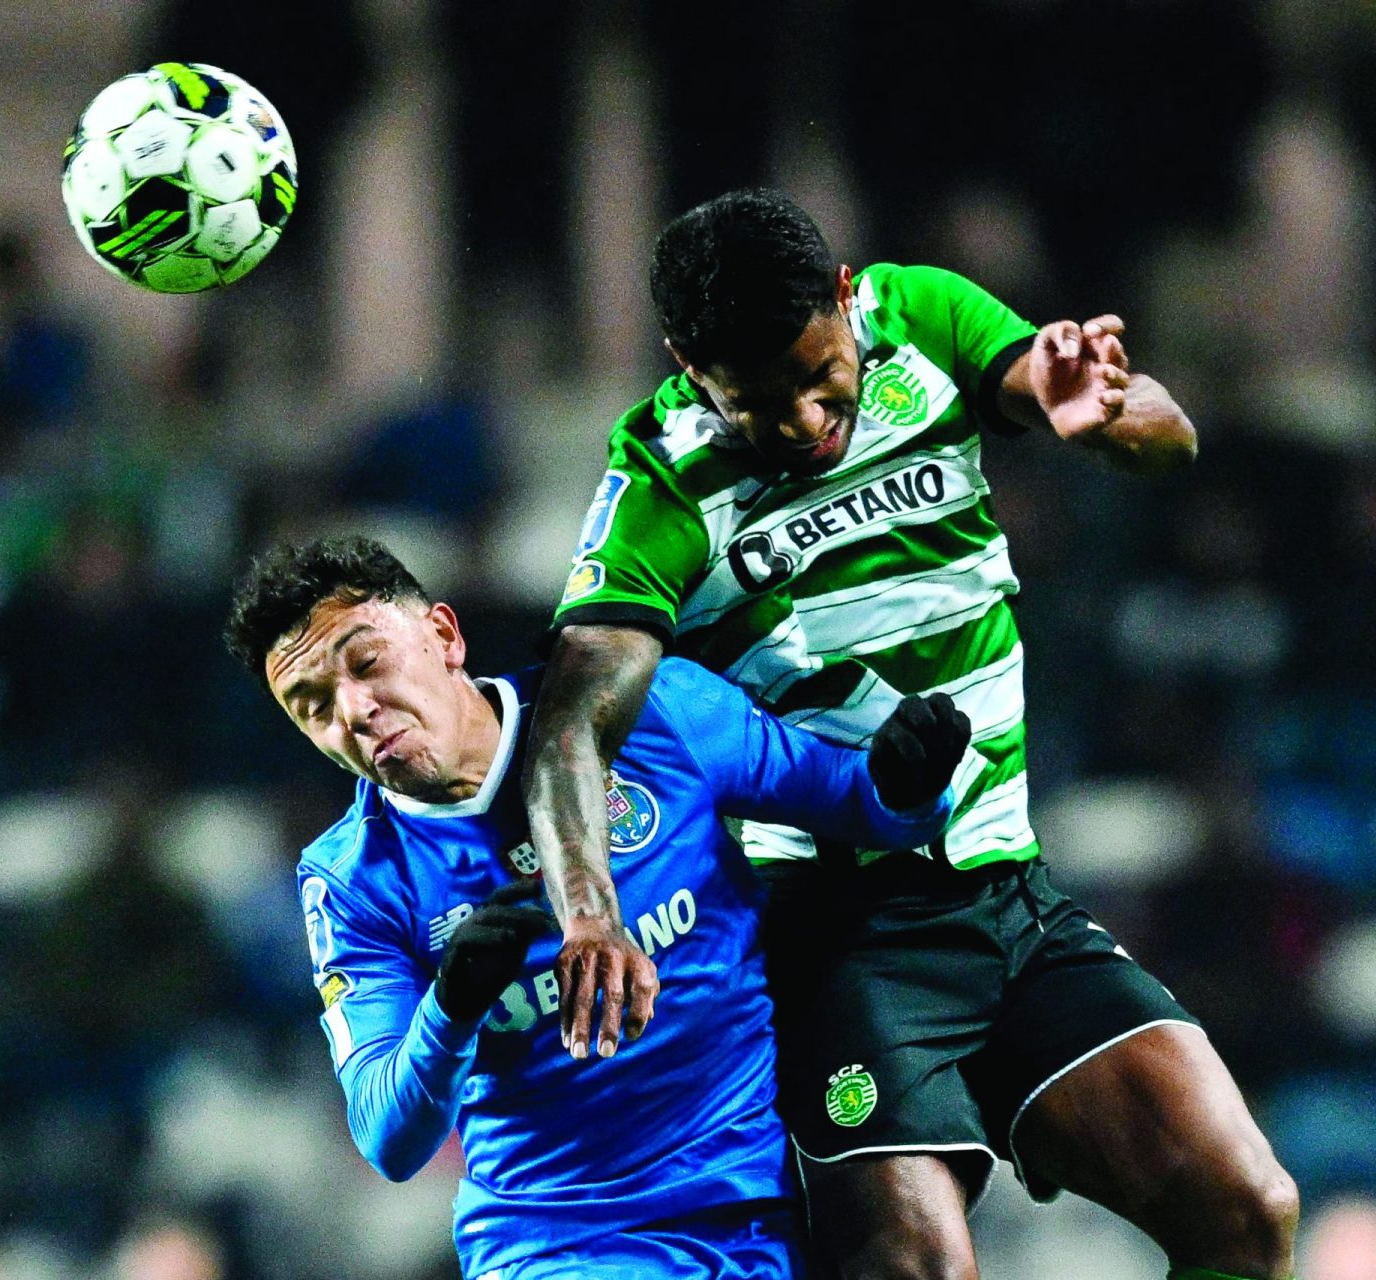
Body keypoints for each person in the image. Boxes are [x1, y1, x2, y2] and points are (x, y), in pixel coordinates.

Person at [524, 189, 1300, 1280]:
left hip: (1010, 901)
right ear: (688, 365)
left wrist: (1106, 414)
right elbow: (568, 723)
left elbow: (1160, 436)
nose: (799, 419)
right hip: (839, 943)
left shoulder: (925, 318)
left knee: (1247, 1209)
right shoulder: (659, 478)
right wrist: (589, 911)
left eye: (816, 372)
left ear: (845, 301)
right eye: (754, 400)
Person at [221, 536, 970, 1280]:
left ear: (444, 636)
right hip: (561, 1243)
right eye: (312, 706)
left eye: (366, 662)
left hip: (760, 1200)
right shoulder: (353, 879)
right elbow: (387, 1134)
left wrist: (909, 782)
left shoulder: (646, 710)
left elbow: (851, 797)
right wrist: (452, 1006)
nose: (353, 710)